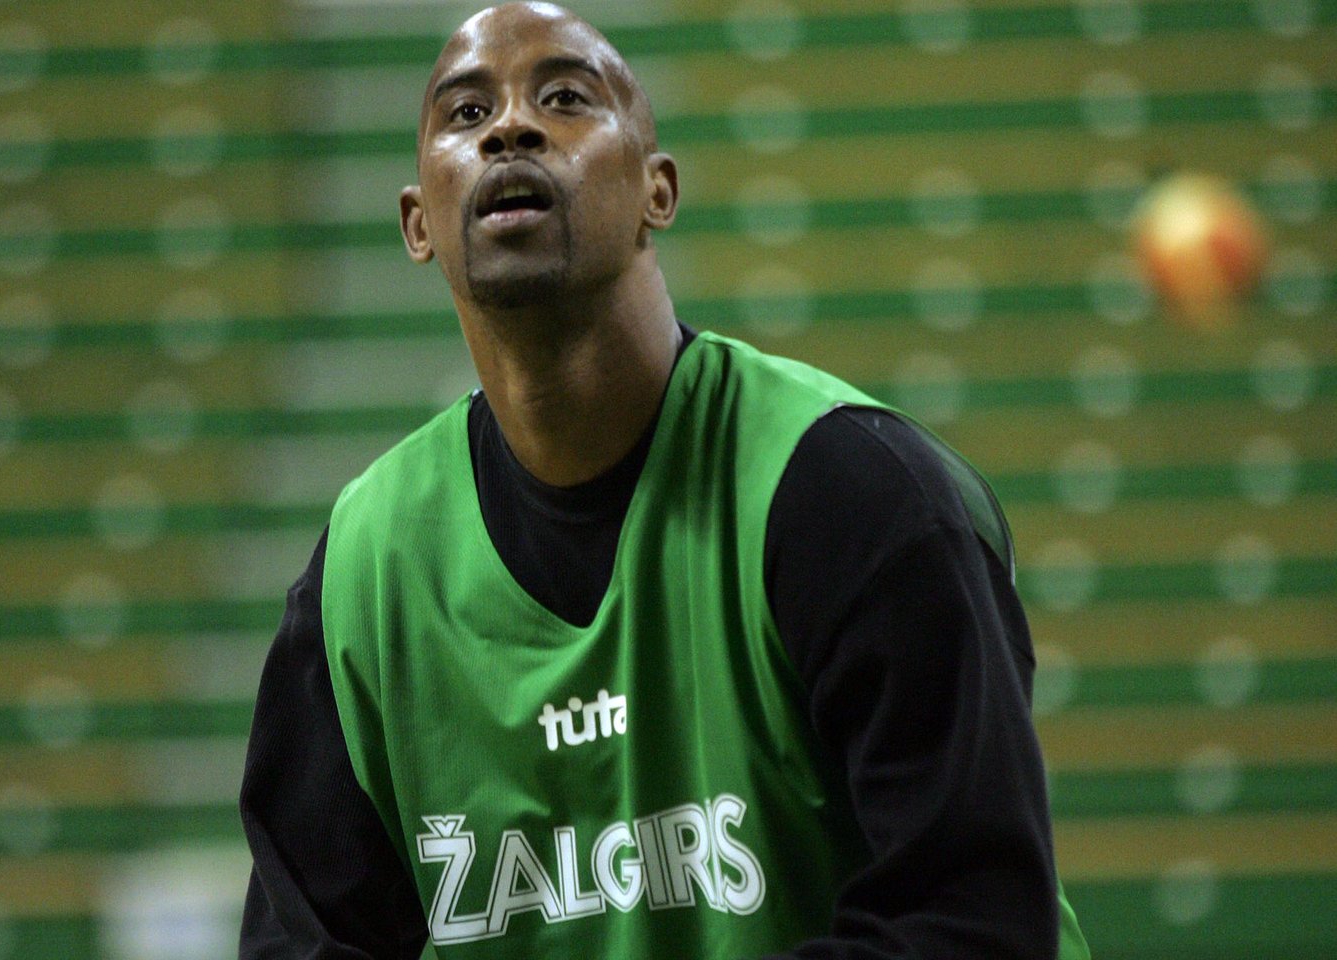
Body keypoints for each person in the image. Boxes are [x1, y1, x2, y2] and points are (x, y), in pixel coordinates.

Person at [238, 3, 1090, 958]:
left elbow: (973, 924)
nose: (511, 127)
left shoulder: (843, 489)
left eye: (565, 99)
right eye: (467, 113)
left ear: (657, 189)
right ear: (417, 222)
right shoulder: (366, 571)